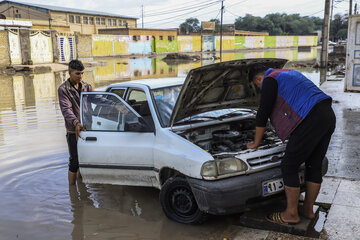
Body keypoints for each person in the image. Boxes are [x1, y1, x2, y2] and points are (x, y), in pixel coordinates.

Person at [246, 65, 336, 225]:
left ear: (258, 79)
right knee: (313, 165)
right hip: (327, 114)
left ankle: (291, 214)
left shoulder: (269, 80)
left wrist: (256, 142)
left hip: (310, 119)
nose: (260, 89)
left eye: (257, 86)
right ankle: (308, 210)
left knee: (289, 166)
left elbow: (263, 112)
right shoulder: (288, 73)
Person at [58, 60, 92, 185]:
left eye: (82, 73)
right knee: (74, 161)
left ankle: (81, 189)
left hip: (86, 129)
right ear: (70, 73)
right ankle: (72, 191)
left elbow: (97, 100)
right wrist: (76, 122)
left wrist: (114, 103)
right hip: (73, 130)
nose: (80, 76)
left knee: (84, 160)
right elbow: (66, 110)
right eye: (77, 73)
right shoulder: (63, 89)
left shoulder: (86, 86)